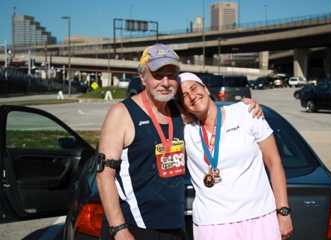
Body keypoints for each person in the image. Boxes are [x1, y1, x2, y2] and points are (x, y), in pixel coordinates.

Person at [95, 43, 263, 240]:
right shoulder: (122, 114)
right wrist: (119, 229)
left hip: (174, 224)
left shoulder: (178, 112)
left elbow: (209, 110)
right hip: (134, 226)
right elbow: (104, 175)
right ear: (142, 77)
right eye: (158, 75)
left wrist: (242, 107)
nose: (166, 82)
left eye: (172, 75)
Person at [177, 72, 293, 240]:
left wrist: (283, 212)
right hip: (213, 224)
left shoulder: (246, 113)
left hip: (259, 216)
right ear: (182, 105)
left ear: (206, 89)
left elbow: (274, 162)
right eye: (184, 96)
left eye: (194, 88)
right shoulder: (186, 130)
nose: (192, 96)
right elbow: (155, 112)